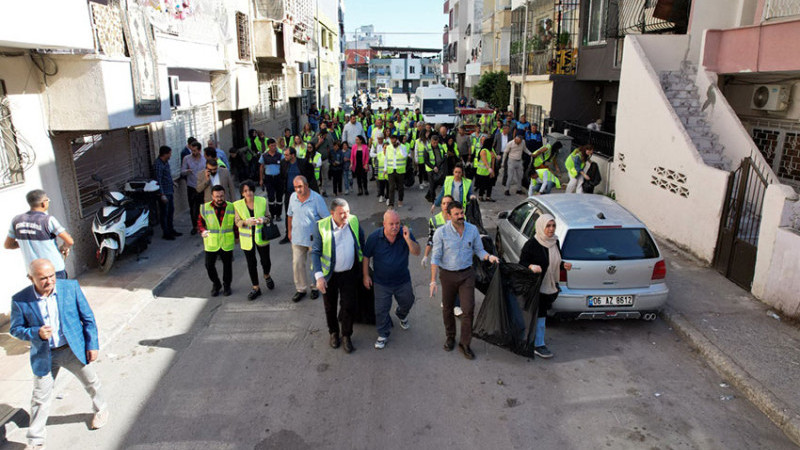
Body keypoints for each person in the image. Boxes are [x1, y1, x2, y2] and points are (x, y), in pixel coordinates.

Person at [10, 259, 109, 449]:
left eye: (51, 276)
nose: (49, 281)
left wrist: (92, 345)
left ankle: (101, 409)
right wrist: (35, 333)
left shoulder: (69, 288)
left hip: (72, 349)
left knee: (91, 383)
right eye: (43, 278)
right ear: (31, 278)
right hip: (45, 355)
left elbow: (87, 318)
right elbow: (15, 329)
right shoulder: (20, 300)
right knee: (40, 398)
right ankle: (36, 441)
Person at [430, 202, 499, 360]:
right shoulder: (440, 233)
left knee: (468, 310)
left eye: (462, 213)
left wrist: (489, 257)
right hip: (447, 275)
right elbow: (435, 257)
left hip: (467, 274)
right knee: (448, 309)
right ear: (449, 215)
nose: (461, 216)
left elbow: (479, 250)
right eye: (457, 214)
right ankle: (450, 337)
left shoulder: (472, 230)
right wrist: (433, 281)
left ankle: (465, 344)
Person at [311, 198, 364, 354]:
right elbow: (315, 252)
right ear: (332, 213)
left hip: (349, 273)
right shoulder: (321, 226)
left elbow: (361, 240)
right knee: (330, 306)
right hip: (330, 275)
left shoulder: (353, 220)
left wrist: (363, 267)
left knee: (348, 305)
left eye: (347, 212)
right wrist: (319, 276)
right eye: (341, 213)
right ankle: (334, 333)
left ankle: (346, 335)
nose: (345, 216)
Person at [363, 209, 420, 349]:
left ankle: (401, 314)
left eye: (397, 223)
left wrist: (408, 239)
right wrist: (365, 275)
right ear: (384, 224)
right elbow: (366, 256)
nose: (395, 227)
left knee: (408, 301)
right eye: (391, 224)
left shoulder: (405, 234)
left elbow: (417, 252)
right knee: (381, 310)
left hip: (402, 280)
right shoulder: (374, 237)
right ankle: (383, 334)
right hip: (381, 282)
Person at [518, 214, 572, 358]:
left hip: (549, 285)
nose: (551, 229)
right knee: (539, 314)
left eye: (553, 225)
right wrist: (531, 266)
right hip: (535, 286)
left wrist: (562, 265)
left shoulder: (555, 242)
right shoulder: (532, 244)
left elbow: (553, 259)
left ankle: (534, 340)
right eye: (548, 226)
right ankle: (538, 344)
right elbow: (521, 263)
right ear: (541, 226)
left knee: (541, 314)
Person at [5, 190, 74, 279]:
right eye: (47, 200)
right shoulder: (48, 220)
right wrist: (64, 247)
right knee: (58, 292)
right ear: (43, 203)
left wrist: (26, 242)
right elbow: (69, 241)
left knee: (40, 293)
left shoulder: (16, 220)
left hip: (33, 272)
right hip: (53, 270)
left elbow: (8, 245)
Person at [287, 176, 329, 302]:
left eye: (299, 187)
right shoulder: (293, 197)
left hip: (313, 239)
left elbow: (326, 218)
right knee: (297, 264)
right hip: (297, 237)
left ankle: (315, 287)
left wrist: (324, 236)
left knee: (314, 264)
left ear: (306, 185)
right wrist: (289, 231)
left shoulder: (316, 198)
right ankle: (301, 289)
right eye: (295, 187)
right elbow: (289, 216)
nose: (297, 190)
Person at [233, 181, 274, 301]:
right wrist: (246, 222)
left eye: (250, 190)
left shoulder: (262, 201)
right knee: (251, 264)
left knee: (266, 261)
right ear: (242, 193)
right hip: (247, 239)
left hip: (261, 236)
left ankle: (267, 275)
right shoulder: (237, 205)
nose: (248, 193)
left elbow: (269, 217)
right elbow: (237, 222)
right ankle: (256, 287)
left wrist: (263, 220)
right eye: (245, 191)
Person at [198, 185, 234, 297]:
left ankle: (227, 285)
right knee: (209, 265)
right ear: (212, 196)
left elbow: (236, 224)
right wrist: (202, 231)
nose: (219, 198)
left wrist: (237, 237)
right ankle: (216, 284)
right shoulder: (205, 208)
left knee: (227, 266)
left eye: (222, 196)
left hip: (226, 242)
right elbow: (200, 223)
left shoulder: (232, 207)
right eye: (217, 196)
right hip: (211, 243)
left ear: (225, 195)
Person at [153, 146, 181, 240]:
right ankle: (166, 232)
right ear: (165, 154)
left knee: (170, 212)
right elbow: (158, 180)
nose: (170, 155)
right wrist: (162, 194)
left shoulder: (166, 163)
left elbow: (167, 175)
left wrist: (172, 182)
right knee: (164, 213)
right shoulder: (158, 164)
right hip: (164, 193)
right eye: (169, 153)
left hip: (170, 191)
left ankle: (171, 229)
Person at [180, 141, 207, 234]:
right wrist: (187, 171)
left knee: (202, 207)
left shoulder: (204, 159)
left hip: (202, 186)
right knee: (192, 207)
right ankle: (194, 226)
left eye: (195, 151)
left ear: (199, 150)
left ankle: (203, 225)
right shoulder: (187, 159)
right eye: (192, 151)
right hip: (191, 186)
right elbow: (182, 171)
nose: (193, 153)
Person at [259, 138, 284, 221]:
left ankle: (278, 215)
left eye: (274, 145)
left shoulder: (280, 155)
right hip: (269, 178)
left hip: (278, 178)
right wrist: (261, 179)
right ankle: (272, 214)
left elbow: (284, 165)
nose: (274, 147)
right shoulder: (264, 156)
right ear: (268, 146)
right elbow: (261, 167)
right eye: (272, 145)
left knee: (279, 197)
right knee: (271, 197)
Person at [383, 134, 408, 208]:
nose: (392, 141)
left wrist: (399, 146)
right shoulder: (388, 148)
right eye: (391, 139)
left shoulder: (403, 147)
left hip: (400, 170)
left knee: (400, 187)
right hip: (391, 170)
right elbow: (386, 158)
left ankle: (400, 200)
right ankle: (391, 204)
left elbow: (404, 155)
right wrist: (385, 169)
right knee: (391, 187)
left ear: (397, 139)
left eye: (394, 139)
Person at [372, 135, 388, 203]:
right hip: (381, 174)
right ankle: (381, 196)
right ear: (382, 148)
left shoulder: (391, 155)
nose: (385, 149)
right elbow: (376, 165)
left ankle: (388, 198)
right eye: (384, 148)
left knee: (388, 187)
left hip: (388, 175)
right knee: (381, 186)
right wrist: (375, 174)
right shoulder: (379, 154)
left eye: (387, 148)